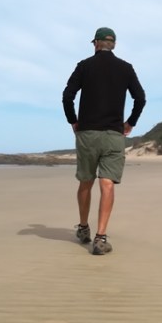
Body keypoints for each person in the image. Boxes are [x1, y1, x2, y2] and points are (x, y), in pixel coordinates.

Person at [61, 27, 146, 255]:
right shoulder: (126, 68)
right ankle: (100, 238)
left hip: (88, 133)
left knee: (85, 182)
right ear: (113, 44)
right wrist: (130, 123)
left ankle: (83, 228)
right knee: (107, 184)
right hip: (113, 135)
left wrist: (73, 121)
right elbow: (140, 98)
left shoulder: (84, 66)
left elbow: (67, 96)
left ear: (96, 44)